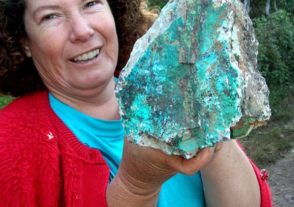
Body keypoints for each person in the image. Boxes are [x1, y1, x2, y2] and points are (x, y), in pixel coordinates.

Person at [0, 0, 272, 206]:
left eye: (91, 2)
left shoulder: (169, 85)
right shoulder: (8, 146)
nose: (82, 31)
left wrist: (211, 117)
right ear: (24, 41)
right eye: (51, 16)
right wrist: (137, 185)